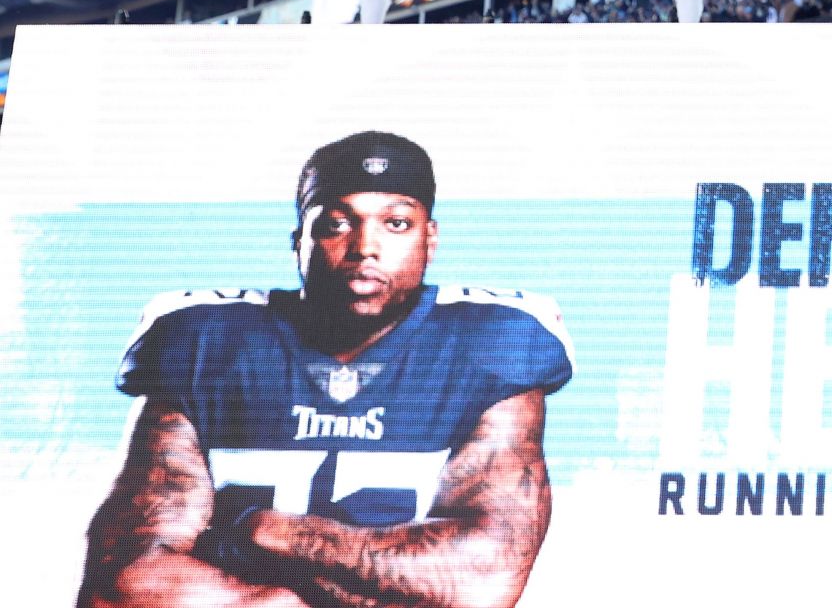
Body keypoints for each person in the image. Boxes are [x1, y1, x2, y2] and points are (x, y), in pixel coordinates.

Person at [78, 130, 572, 608]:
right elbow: (124, 584)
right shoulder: (204, 344)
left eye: (396, 223)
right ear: (299, 241)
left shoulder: (491, 344)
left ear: (431, 239)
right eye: (336, 224)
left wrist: (269, 531)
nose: (365, 247)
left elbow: (482, 580)